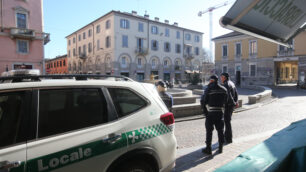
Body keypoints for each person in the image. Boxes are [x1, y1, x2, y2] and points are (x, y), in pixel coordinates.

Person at [200, 75, 228, 154]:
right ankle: (221, 147)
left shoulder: (208, 89)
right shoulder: (224, 89)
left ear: (211, 80)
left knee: (209, 131)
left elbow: (203, 101)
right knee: (220, 131)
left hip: (211, 112)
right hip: (220, 112)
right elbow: (226, 101)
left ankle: (208, 148)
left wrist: (205, 112)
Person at [220, 72, 239, 144]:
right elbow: (236, 93)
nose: (221, 78)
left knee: (227, 122)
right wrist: (236, 102)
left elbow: (229, 96)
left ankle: (229, 138)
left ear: (224, 77)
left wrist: (234, 103)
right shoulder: (232, 83)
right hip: (231, 106)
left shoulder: (226, 84)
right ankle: (226, 136)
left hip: (228, 105)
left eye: (221, 77)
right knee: (227, 121)